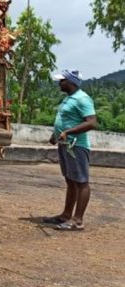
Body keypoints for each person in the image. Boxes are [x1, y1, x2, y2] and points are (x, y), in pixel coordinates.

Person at [43, 69, 98, 231]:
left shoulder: (83, 99)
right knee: (70, 180)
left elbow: (92, 122)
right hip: (65, 145)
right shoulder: (68, 99)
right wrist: (55, 135)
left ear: (72, 82)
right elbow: (65, 120)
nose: (59, 83)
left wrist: (68, 132)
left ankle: (78, 220)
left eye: (62, 80)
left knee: (81, 182)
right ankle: (66, 215)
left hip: (77, 146)